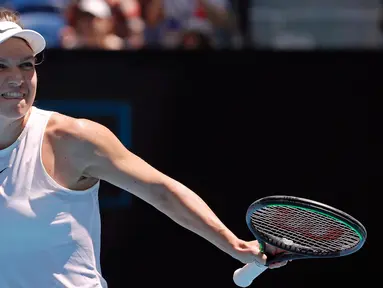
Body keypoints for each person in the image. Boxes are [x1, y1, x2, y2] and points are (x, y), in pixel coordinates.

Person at [0, 7, 288, 287]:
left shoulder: (72, 138)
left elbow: (161, 191)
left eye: (26, 64)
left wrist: (234, 245)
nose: (18, 78)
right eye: (1, 65)